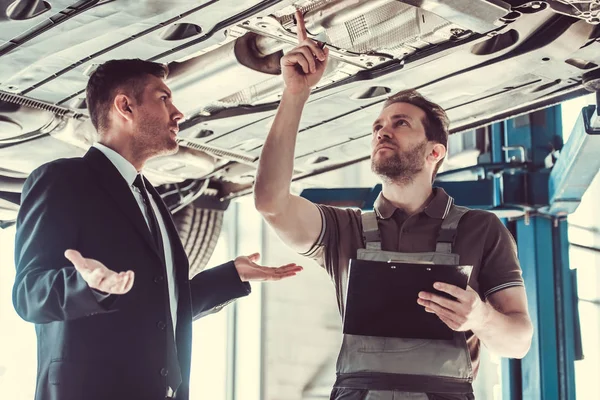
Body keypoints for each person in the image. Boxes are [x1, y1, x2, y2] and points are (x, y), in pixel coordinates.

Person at [254, 11, 533, 400]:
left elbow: (518, 342)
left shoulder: (481, 229)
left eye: (401, 123)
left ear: (435, 152)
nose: (382, 130)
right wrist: (295, 93)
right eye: (378, 126)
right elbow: (270, 203)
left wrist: (481, 317)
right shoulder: (343, 230)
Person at [13, 58, 302, 400]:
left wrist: (230, 277)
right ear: (125, 106)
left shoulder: (150, 198)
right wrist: (86, 285)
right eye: (164, 99)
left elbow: (158, 312)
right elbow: (29, 294)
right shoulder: (62, 180)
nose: (178, 113)